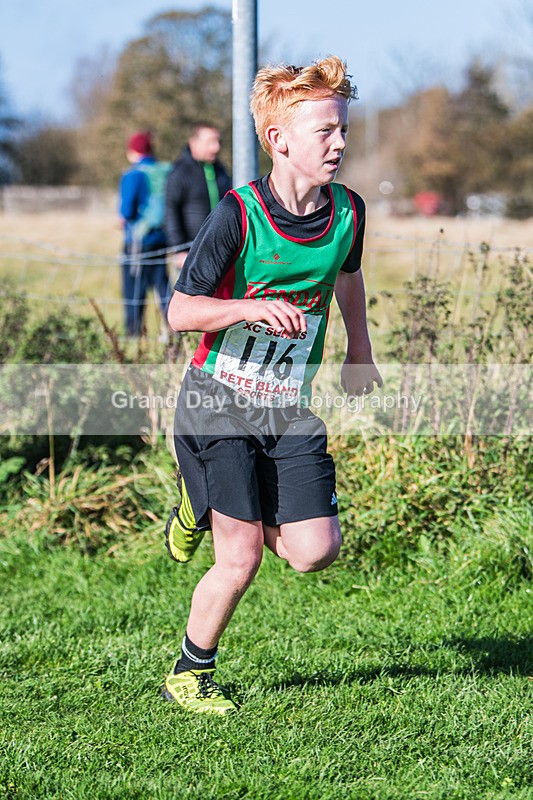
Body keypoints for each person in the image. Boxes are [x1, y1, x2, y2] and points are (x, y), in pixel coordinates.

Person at [161, 57, 382, 715]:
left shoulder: (347, 212)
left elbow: (346, 275)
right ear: (280, 139)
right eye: (324, 131)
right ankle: (189, 672)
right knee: (241, 557)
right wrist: (246, 308)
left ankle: (202, 498)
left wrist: (359, 352)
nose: (338, 143)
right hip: (216, 399)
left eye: (342, 129)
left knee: (314, 552)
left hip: (286, 406)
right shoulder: (239, 214)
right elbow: (179, 313)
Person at [118, 131, 172, 337]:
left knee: (134, 291)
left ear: (132, 151)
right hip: (163, 238)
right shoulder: (164, 171)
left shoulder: (134, 175)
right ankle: (175, 330)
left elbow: (127, 211)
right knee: (162, 285)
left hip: (138, 241)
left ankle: (134, 334)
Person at [164, 123, 231, 274]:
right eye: (210, 142)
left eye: (218, 142)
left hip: (221, 250)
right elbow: (171, 209)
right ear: (193, 143)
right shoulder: (180, 172)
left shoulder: (221, 171)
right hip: (191, 254)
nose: (216, 147)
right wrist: (178, 249)